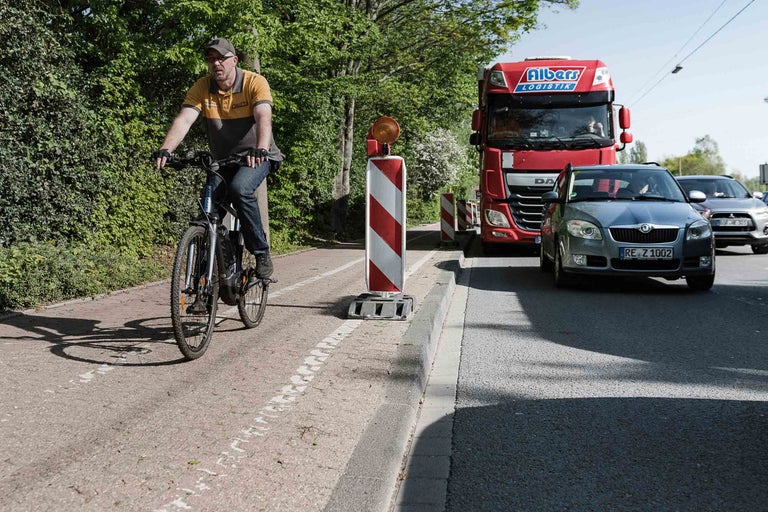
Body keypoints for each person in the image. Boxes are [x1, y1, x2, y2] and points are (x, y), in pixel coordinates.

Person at [154, 37, 283, 278]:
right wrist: (166, 149)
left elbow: (263, 115)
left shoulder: (254, 82)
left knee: (240, 188)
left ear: (234, 60)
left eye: (221, 58)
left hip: (257, 156)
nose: (216, 64)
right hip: (223, 160)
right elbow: (184, 119)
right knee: (207, 212)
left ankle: (261, 252)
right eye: (211, 59)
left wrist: (261, 147)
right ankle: (205, 281)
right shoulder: (202, 87)